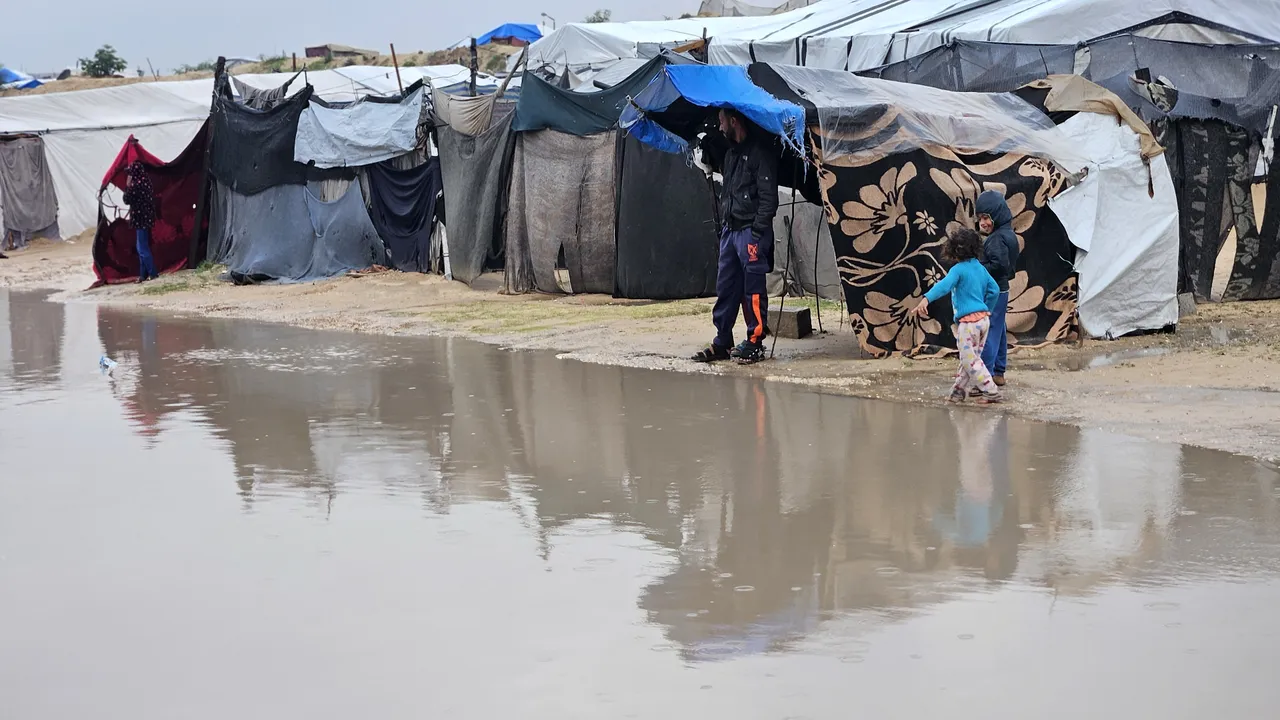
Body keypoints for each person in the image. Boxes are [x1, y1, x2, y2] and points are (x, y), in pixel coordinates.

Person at [692, 107, 779, 366]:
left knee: (752, 289)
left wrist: (756, 232)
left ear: (733, 121)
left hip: (750, 233)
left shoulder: (760, 154)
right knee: (726, 287)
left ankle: (755, 342)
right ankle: (722, 341)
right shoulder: (730, 156)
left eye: (721, 122)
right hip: (730, 232)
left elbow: (768, 200)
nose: (719, 128)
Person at [915, 227, 1003, 404]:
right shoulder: (980, 268)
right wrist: (987, 309)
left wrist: (926, 299)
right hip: (983, 321)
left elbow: (944, 286)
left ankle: (991, 390)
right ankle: (958, 391)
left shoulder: (958, 270)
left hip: (968, 324)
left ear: (954, 249)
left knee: (968, 359)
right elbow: (995, 290)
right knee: (970, 358)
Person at [976, 190, 1018, 388]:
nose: (982, 222)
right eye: (980, 218)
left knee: (990, 330)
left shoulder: (995, 240)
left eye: (986, 217)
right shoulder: (1008, 235)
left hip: (994, 291)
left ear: (997, 215)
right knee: (999, 329)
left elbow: (998, 265)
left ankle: (985, 375)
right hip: (1003, 289)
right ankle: (998, 372)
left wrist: (976, 269)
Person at [122, 161, 158, 283]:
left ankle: (153, 273)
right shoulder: (146, 182)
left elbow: (126, 199)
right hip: (147, 218)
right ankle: (143, 275)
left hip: (140, 219)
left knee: (142, 248)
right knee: (141, 247)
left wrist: (127, 186)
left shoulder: (135, 186)